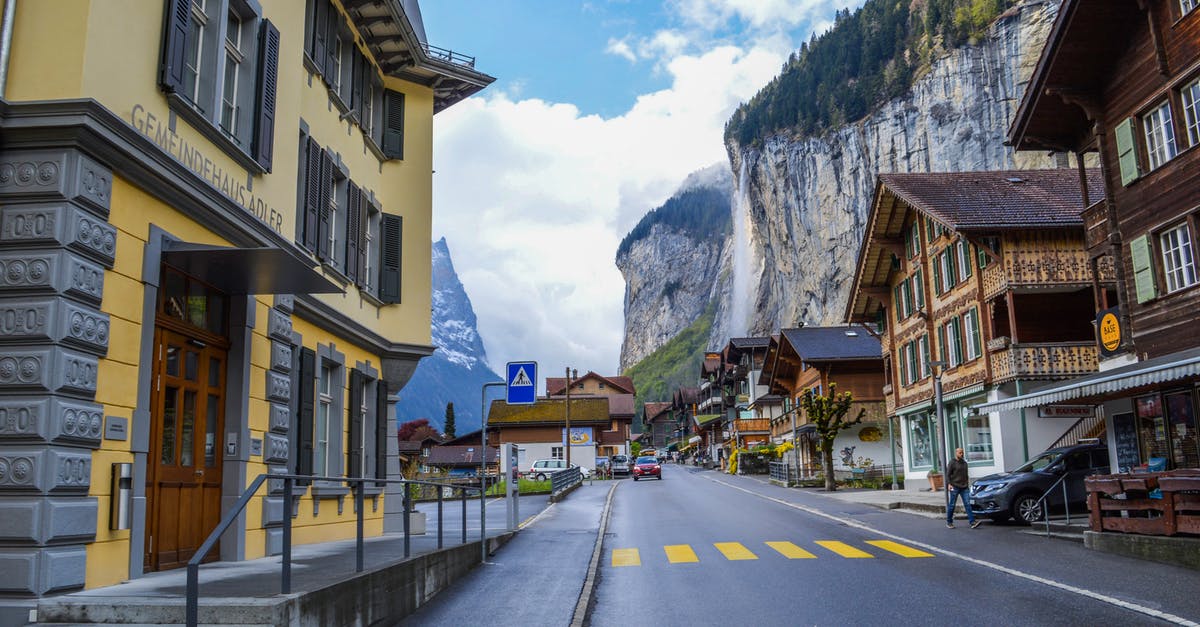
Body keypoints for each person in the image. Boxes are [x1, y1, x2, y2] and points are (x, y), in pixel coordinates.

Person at [946, 447, 981, 529]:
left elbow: (966, 475)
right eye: (960, 453)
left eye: (962, 453)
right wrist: (949, 484)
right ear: (956, 453)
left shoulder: (964, 463)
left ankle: (972, 522)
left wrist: (967, 485)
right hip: (954, 486)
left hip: (964, 487)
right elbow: (948, 474)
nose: (961, 454)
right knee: (952, 505)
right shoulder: (952, 462)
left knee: (968, 504)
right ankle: (949, 522)